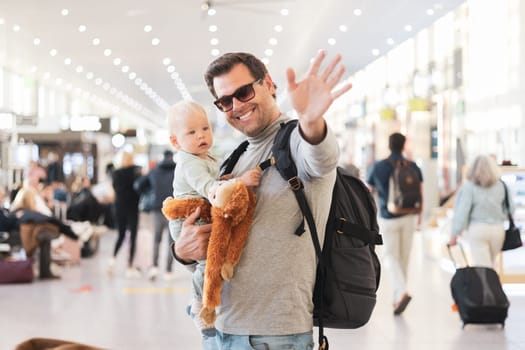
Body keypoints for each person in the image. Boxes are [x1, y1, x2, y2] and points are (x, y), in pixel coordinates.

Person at [171, 50, 351, 349]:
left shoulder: (296, 142)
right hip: (220, 330)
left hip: (274, 336)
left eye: (243, 92)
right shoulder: (233, 158)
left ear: (268, 84)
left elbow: (322, 157)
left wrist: (311, 119)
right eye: (225, 101)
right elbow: (210, 246)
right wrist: (183, 251)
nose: (237, 105)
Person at [166, 100, 261, 337]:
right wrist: (241, 182)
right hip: (189, 216)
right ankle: (197, 304)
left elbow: (217, 180)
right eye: (192, 132)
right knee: (207, 261)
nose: (201, 136)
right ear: (176, 142)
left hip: (197, 212)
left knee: (213, 258)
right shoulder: (189, 162)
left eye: (205, 128)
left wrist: (229, 178)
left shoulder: (205, 157)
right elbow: (211, 189)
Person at [366, 132, 423, 316]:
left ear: (389, 145)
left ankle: (401, 292)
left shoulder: (379, 166)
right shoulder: (413, 166)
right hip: (410, 216)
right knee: (404, 257)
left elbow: (368, 191)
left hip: (388, 216)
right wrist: (420, 214)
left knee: (391, 257)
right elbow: (420, 193)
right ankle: (398, 295)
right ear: (403, 145)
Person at [448, 154, 514, 267]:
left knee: (482, 267)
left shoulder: (469, 187)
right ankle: (493, 283)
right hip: (498, 230)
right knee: (492, 264)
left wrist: (454, 235)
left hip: (477, 229)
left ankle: (488, 284)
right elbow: (511, 209)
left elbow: (462, 213)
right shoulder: (501, 186)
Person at [134, 150, 177, 281]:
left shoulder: (155, 170)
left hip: (157, 209)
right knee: (171, 242)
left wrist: (150, 192)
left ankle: (154, 267)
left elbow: (138, 185)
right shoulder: (177, 170)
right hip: (173, 210)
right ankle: (168, 271)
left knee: (156, 240)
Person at [108, 151, 142, 278]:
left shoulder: (115, 173)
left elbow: (115, 189)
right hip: (132, 207)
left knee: (121, 235)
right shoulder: (136, 172)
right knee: (133, 236)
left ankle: (112, 260)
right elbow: (139, 188)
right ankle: (130, 266)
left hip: (119, 207)